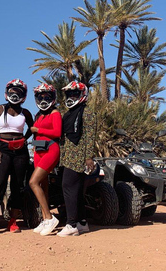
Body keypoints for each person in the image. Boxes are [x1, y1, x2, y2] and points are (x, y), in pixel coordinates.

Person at [0, 79, 34, 235]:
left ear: (24, 95)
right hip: (3, 149)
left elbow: (32, 128)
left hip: (21, 151)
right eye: (12, 91)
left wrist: (25, 139)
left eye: (18, 92)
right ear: (7, 93)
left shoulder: (25, 113)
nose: (15, 95)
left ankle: (13, 221)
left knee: (18, 186)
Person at [57, 81, 97, 237]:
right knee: (77, 189)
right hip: (68, 154)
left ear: (82, 95)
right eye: (69, 94)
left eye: (74, 94)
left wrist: (88, 157)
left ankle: (71, 224)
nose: (71, 97)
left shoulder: (87, 113)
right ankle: (82, 222)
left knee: (68, 186)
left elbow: (89, 136)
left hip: (78, 155)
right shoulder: (68, 114)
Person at [29, 83, 61, 236]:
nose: (43, 99)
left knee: (33, 182)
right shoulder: (38, 115)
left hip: (51, 149)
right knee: (42, 184)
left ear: (52, 97)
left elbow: (57, 132)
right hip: (38, 150)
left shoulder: (55, 113)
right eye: (40, 96)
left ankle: (50, 217)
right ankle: (45, 219)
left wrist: (38, 130)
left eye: (46, 96)